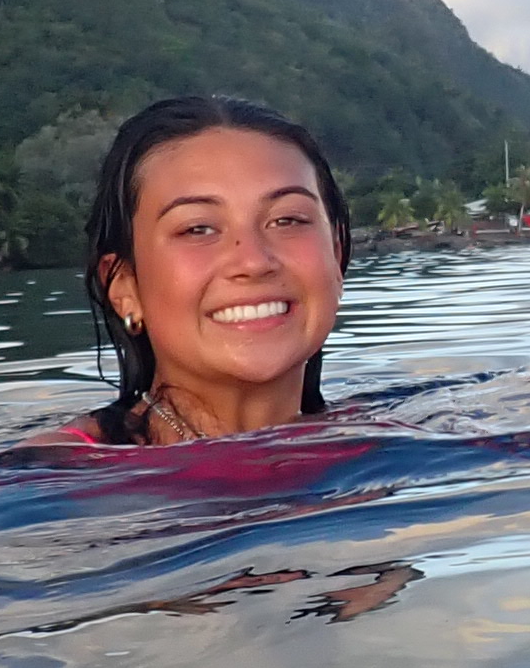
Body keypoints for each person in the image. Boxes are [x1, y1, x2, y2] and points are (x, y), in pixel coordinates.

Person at [62, 93, 351, 445]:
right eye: (198, 229)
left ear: (335, 256)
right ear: (124, 287)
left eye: (287, 220)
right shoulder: (55, 476)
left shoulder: (392, 444)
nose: (254, 262)